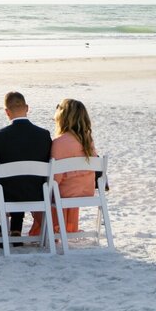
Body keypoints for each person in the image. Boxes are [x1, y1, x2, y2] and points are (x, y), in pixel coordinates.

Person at [0, 91, 53, 238]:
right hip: (38, 193)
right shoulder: (44, 135)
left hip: (6, 196)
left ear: (7, 112)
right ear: (27, 108)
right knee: (22, 178)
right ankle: (15, 229)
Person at [45, 98, 99, 235]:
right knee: (70, 183)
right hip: (87, 190)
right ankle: (66, 228)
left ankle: (52, 230)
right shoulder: (88, 140)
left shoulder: (59, 142)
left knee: (44, 190)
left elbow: (55, 178)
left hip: (65, 193)